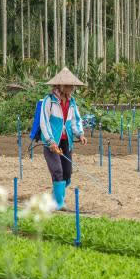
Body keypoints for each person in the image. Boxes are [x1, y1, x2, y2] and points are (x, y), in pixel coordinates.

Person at [37, 67, 87, 211]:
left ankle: (54, 197)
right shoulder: (49, 101)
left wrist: (80, 134)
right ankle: (59, 204)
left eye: (72, 86)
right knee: (57, 171)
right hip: (52, 142)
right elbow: (44, 122)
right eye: (68, 85)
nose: (71, 88)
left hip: (66, 142)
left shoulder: (72, 102)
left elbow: (75, 120)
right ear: (59, 85)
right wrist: (50, 141)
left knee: (67, 173)